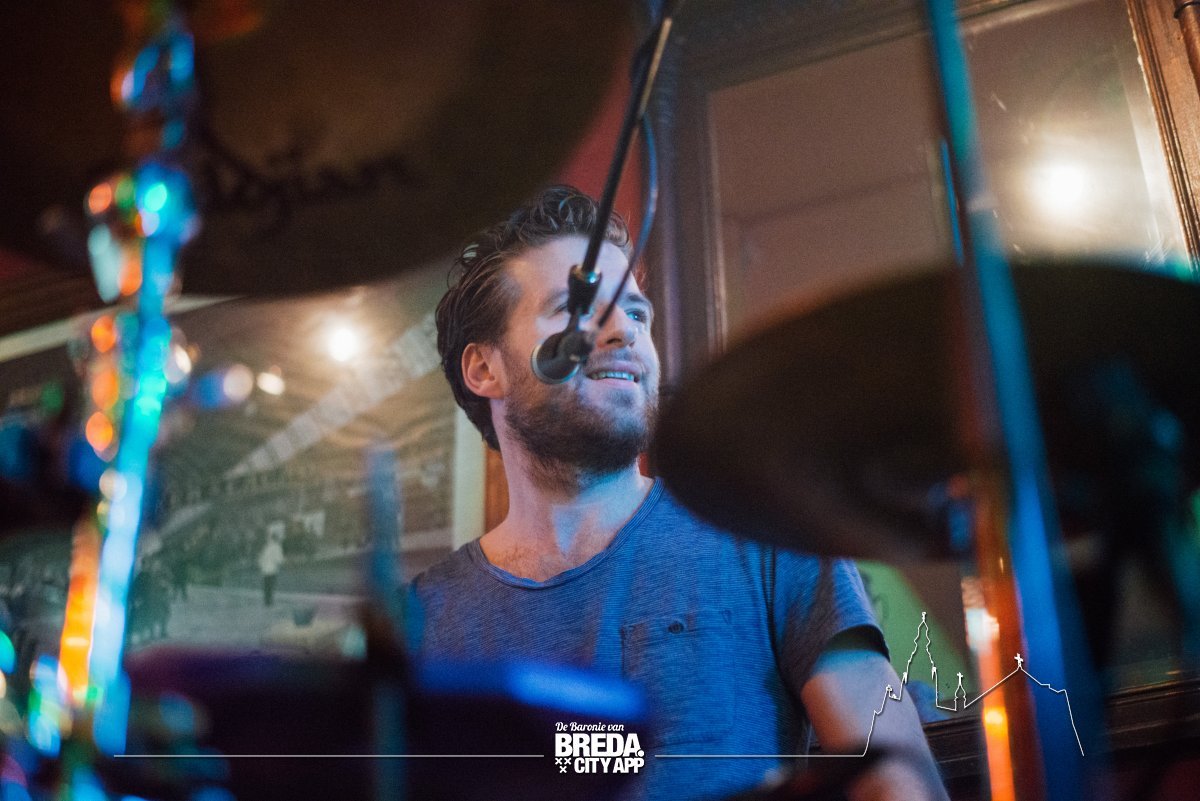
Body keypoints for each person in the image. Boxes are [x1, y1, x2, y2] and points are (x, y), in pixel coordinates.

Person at [410, 186, 947, 801]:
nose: (624, 332)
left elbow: (896, 779)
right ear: (484, 370)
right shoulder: (421, 620)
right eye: (575, 308)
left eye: (637, 314)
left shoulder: (764, 535)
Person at [259, 529, 284, 607]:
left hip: (265, 569)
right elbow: (279, 559)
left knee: (266, 585)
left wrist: (262, 566)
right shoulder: (277, 547)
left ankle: (266, 601)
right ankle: (269, 602)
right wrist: (280, 563)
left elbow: (261, 558)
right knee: (271, 585)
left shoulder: (266, 546)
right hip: (272, 569)